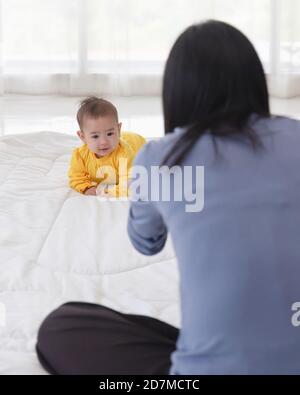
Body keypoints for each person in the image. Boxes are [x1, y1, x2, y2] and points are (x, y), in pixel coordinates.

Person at [36, 20, 300, 375]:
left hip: (215, 368)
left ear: (175, 92)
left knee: (63, 327)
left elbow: (146, 242)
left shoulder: (160, 157)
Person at [68, 96, 146, 197]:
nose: (104, 142)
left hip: (136, 142)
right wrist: (87, 187)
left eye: (110, 134)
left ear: (118, 129)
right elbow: (76, 177)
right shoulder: (80, 155)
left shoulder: (124, 154)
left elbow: (130, 181)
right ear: (82, 136)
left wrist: (110, 192)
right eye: (95, 136)